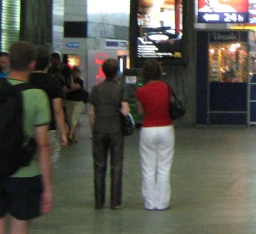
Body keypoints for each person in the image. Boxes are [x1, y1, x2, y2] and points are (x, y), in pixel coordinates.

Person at [0, 41, 53, 234]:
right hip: (26, 175)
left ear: (8, 60)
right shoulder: (38, 96)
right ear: (32, 64)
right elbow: (42, 144)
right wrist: (47, 187)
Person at [89, 59, 131, 210]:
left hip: (99, 129)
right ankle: (115, 201)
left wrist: (94, 129)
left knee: (99, 165)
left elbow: (92, 113)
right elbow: (125, 110)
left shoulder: (96, 89)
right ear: (116, 72)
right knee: (116, 165)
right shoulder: (120, 89)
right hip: (115, 130)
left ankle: (99, 201)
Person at [135, 59, 174, 211]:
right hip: (166, 128)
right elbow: (170, 104)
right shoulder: (166, 87)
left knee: (148, 168)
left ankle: (150, 203)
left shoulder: (140, 91)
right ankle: (162, 203)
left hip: (148, 129)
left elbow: (139, 111)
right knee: (164, 168)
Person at [28, 48, 68, 165]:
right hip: (48, 128)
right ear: (47, 63)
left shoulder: (25, 80)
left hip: (27, 128)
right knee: (47, 163)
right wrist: (63, 133)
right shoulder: (53, 82)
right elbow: (57, 109)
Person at [64, 67, 88, 144]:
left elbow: (73, 87)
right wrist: (71, 79)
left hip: (78, 101)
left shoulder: (80, 81)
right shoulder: (68, 80)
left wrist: (68, 90)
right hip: (69, 101)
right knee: (69, 119)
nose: (76, 74)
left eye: (77, 72)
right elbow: (67, 88)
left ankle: (70, 135)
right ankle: (73, 136)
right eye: (74, 72)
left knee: (74, 118)